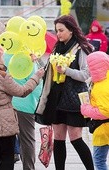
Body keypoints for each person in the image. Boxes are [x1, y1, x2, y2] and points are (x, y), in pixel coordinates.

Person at [36, 15, 95, 170]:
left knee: (76, 139)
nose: (58, 34)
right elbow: (51, 72)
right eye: (57, 31)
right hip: (56, 98)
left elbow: (85, 75)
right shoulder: (57, 48)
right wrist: (37, 60)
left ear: (71, 30)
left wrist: (66, 70)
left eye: (61, 30)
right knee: (59, 140)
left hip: (74, 99)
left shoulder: (81, 48)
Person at [0, 44, 44, 170]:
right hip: (3, 124)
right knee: (6, 157)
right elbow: (22, 91)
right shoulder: (2, 76)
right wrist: (36, 76)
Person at [4, 53, 43, 170]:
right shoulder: (28, 59)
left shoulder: (4, 56)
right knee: (27, 140)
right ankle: (28, 167)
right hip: (25, 104)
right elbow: (37, 88)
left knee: (7, 139)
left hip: (7, 103)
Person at [81, 51, 109, 170]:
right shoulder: (102, 80)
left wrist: (86, 109)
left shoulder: (101, 88)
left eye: (89, 66)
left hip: (103, 130)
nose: (87, 68)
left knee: (99, 161)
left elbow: (105, 111)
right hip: (104, 129)